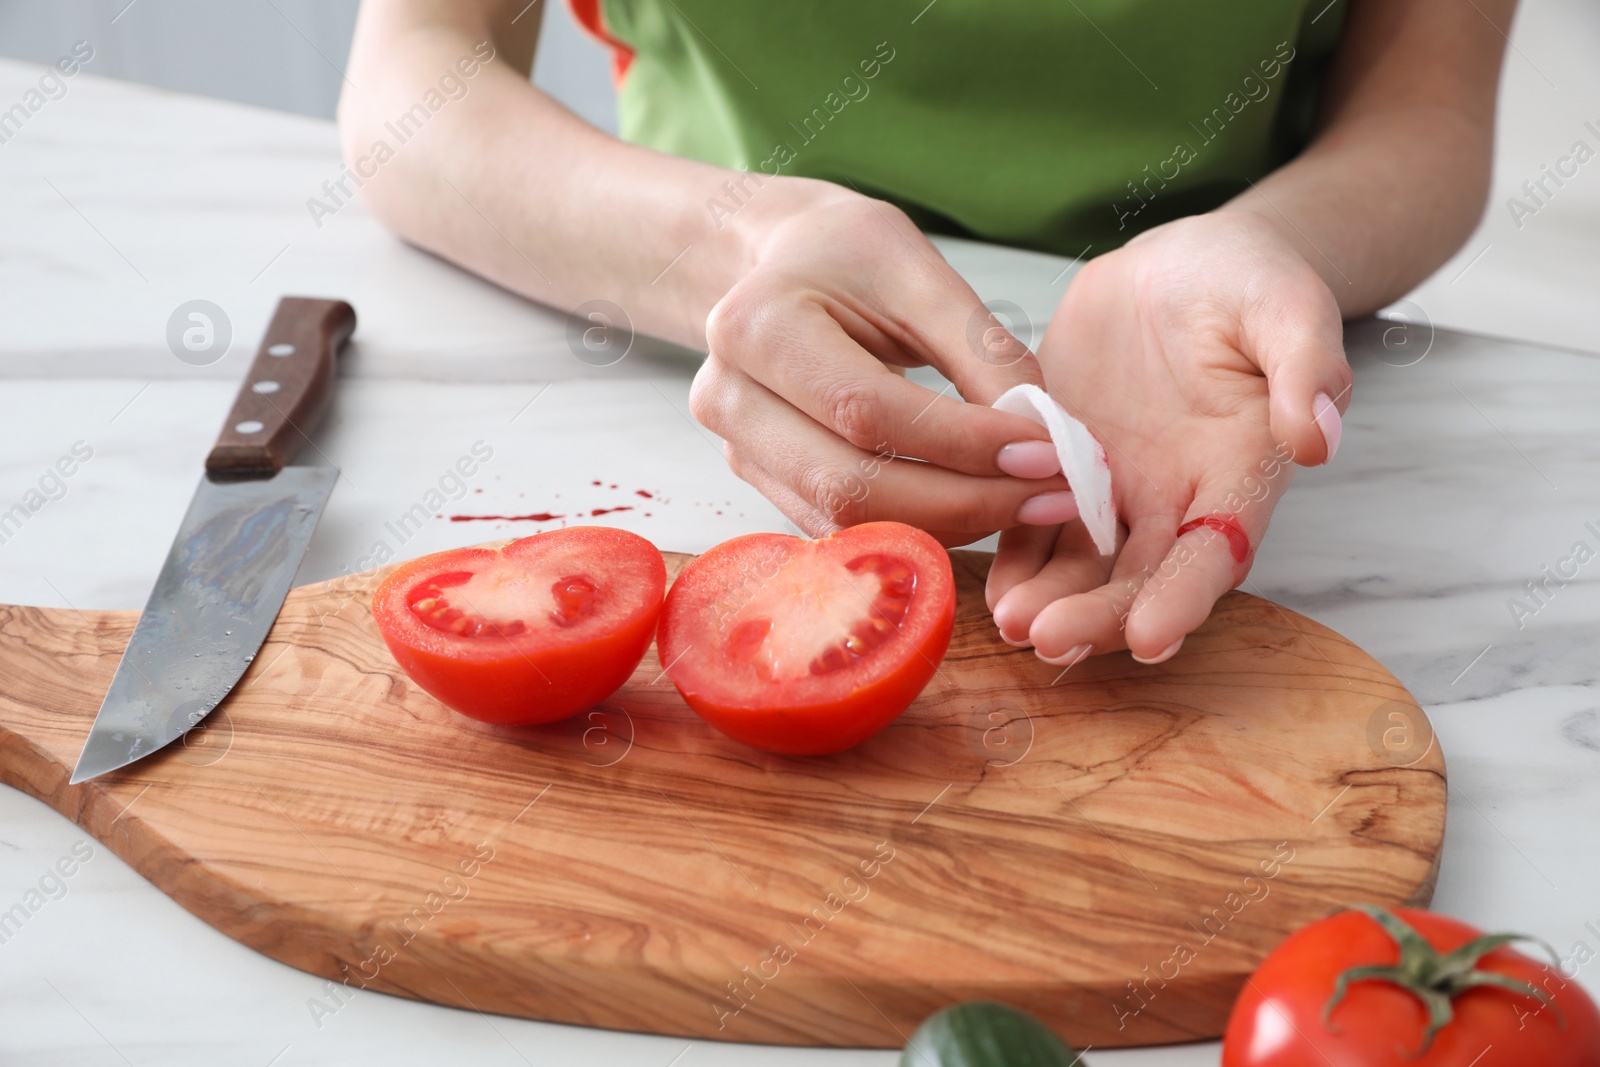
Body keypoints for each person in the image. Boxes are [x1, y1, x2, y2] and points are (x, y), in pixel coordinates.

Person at [339, 0, 1512, 665]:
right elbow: (413, 82)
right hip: (684, 365)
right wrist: (730, 247)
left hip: (1206, 376)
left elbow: (1426, 109)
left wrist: (1270, 244)